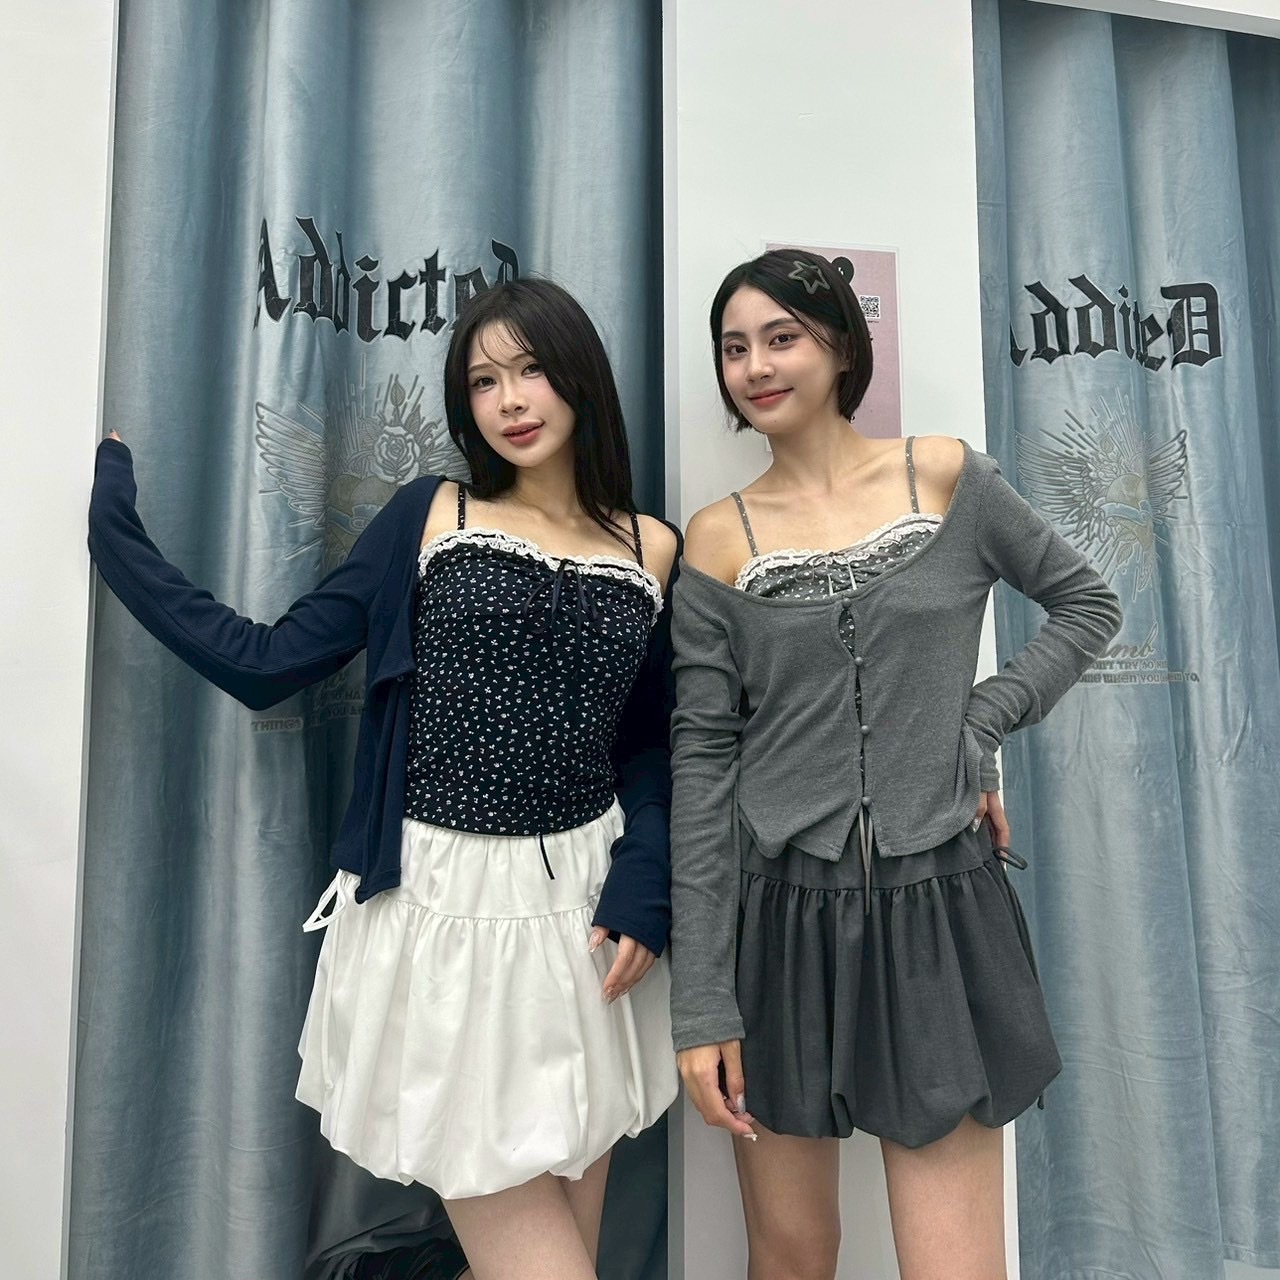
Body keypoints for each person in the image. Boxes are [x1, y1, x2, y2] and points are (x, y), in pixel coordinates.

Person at [88, 277, 680, 1280]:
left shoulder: (651, 544)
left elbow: (651, 745)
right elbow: (269, 660)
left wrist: (644, 886)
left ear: (580, 376)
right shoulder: (431, 513)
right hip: (444, 913)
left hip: (587, 925)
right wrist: (118, 538)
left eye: (532, 369)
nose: (509, 399)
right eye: (483, 380)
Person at [668, 248, 1122, 1280]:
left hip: (937, 910)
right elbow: (701, 766)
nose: (755, 366)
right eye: (733, 348)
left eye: (780, 337)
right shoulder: (716, 539)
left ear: (840, 345)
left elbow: (1085, 603)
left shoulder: (947, 476)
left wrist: (978, 723)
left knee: (954, 1264)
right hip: (778, 925)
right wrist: (701, 1004)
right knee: (792, 1257)